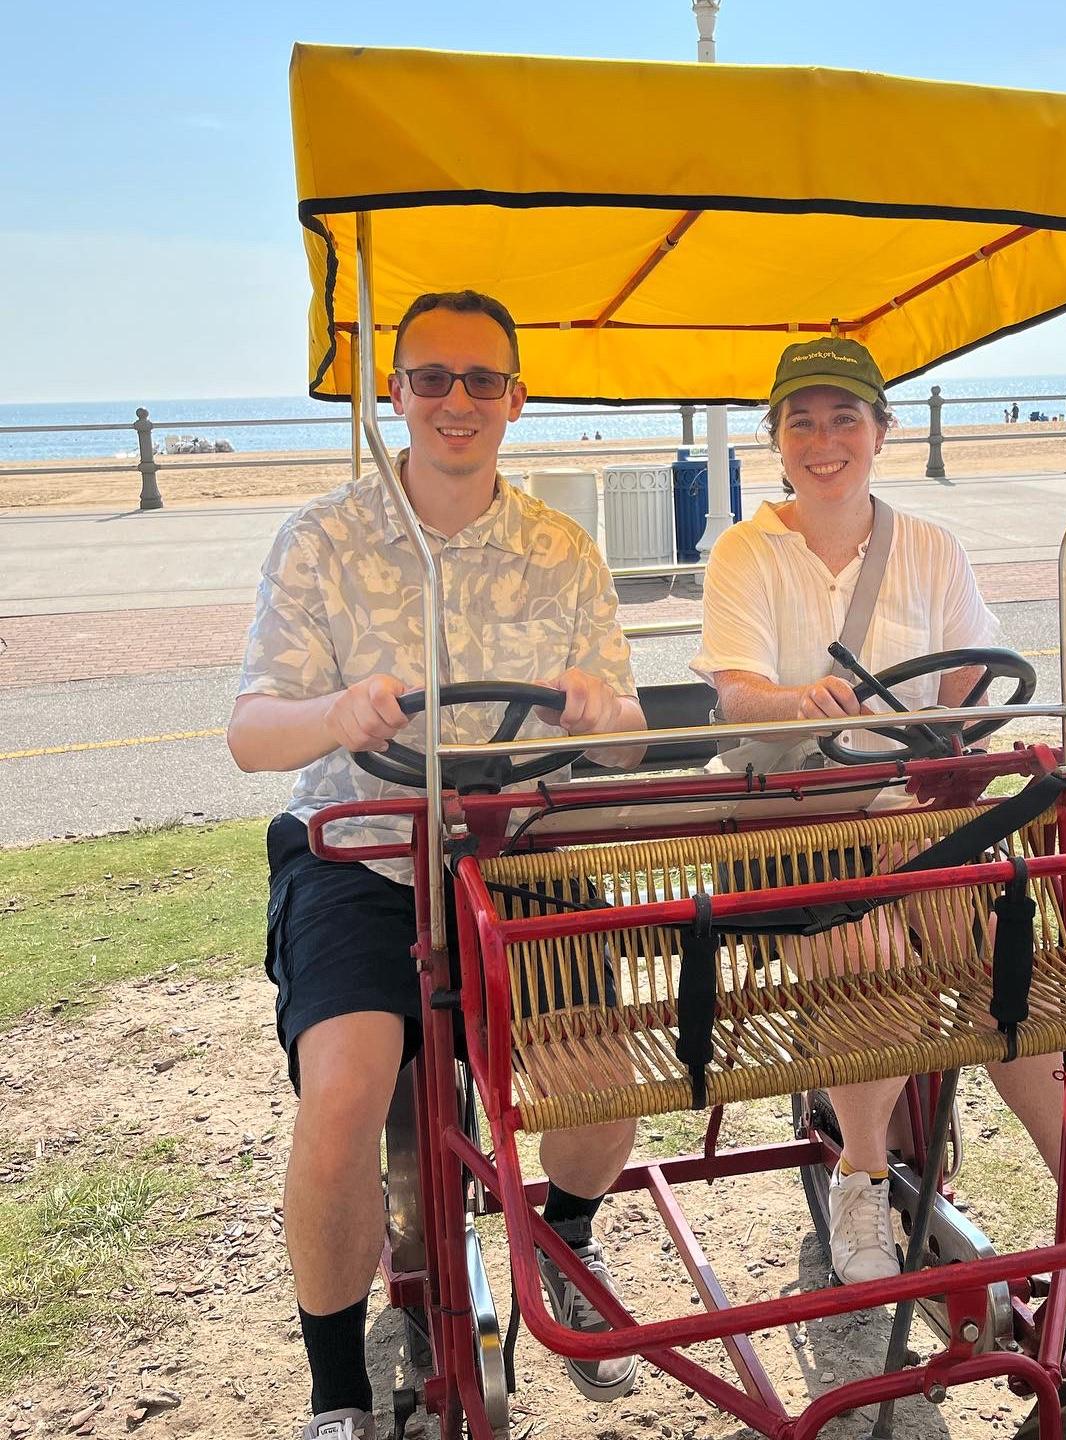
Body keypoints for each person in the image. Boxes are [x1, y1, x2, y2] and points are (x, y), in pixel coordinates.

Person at [691, 335, 1066, 1321]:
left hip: (927, 821)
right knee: (872, 948)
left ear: (881, 431)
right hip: (799, 827)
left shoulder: (929, 548)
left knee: (1000, 958)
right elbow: (738, 695)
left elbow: (977, 680)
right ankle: (862, 1182)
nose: (823, 437)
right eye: (802, 419)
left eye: (845, 417)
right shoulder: (748, 550)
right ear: (778, 438)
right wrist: (793, 702)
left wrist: (960, 722)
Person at [228, 290, 646, 1439]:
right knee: (346, 1095)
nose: (455, 402)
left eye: (479, 380)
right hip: (361, 852)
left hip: (520, 847)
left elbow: (623, 730)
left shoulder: (562, 548)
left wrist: (605, 715)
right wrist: (335, 714)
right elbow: (252, 731)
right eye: (430, 379)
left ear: (515, 399)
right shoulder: (322, 539)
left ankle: (564, 1238)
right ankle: (339, 1391)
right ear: (394, 396)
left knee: (608, 1074)